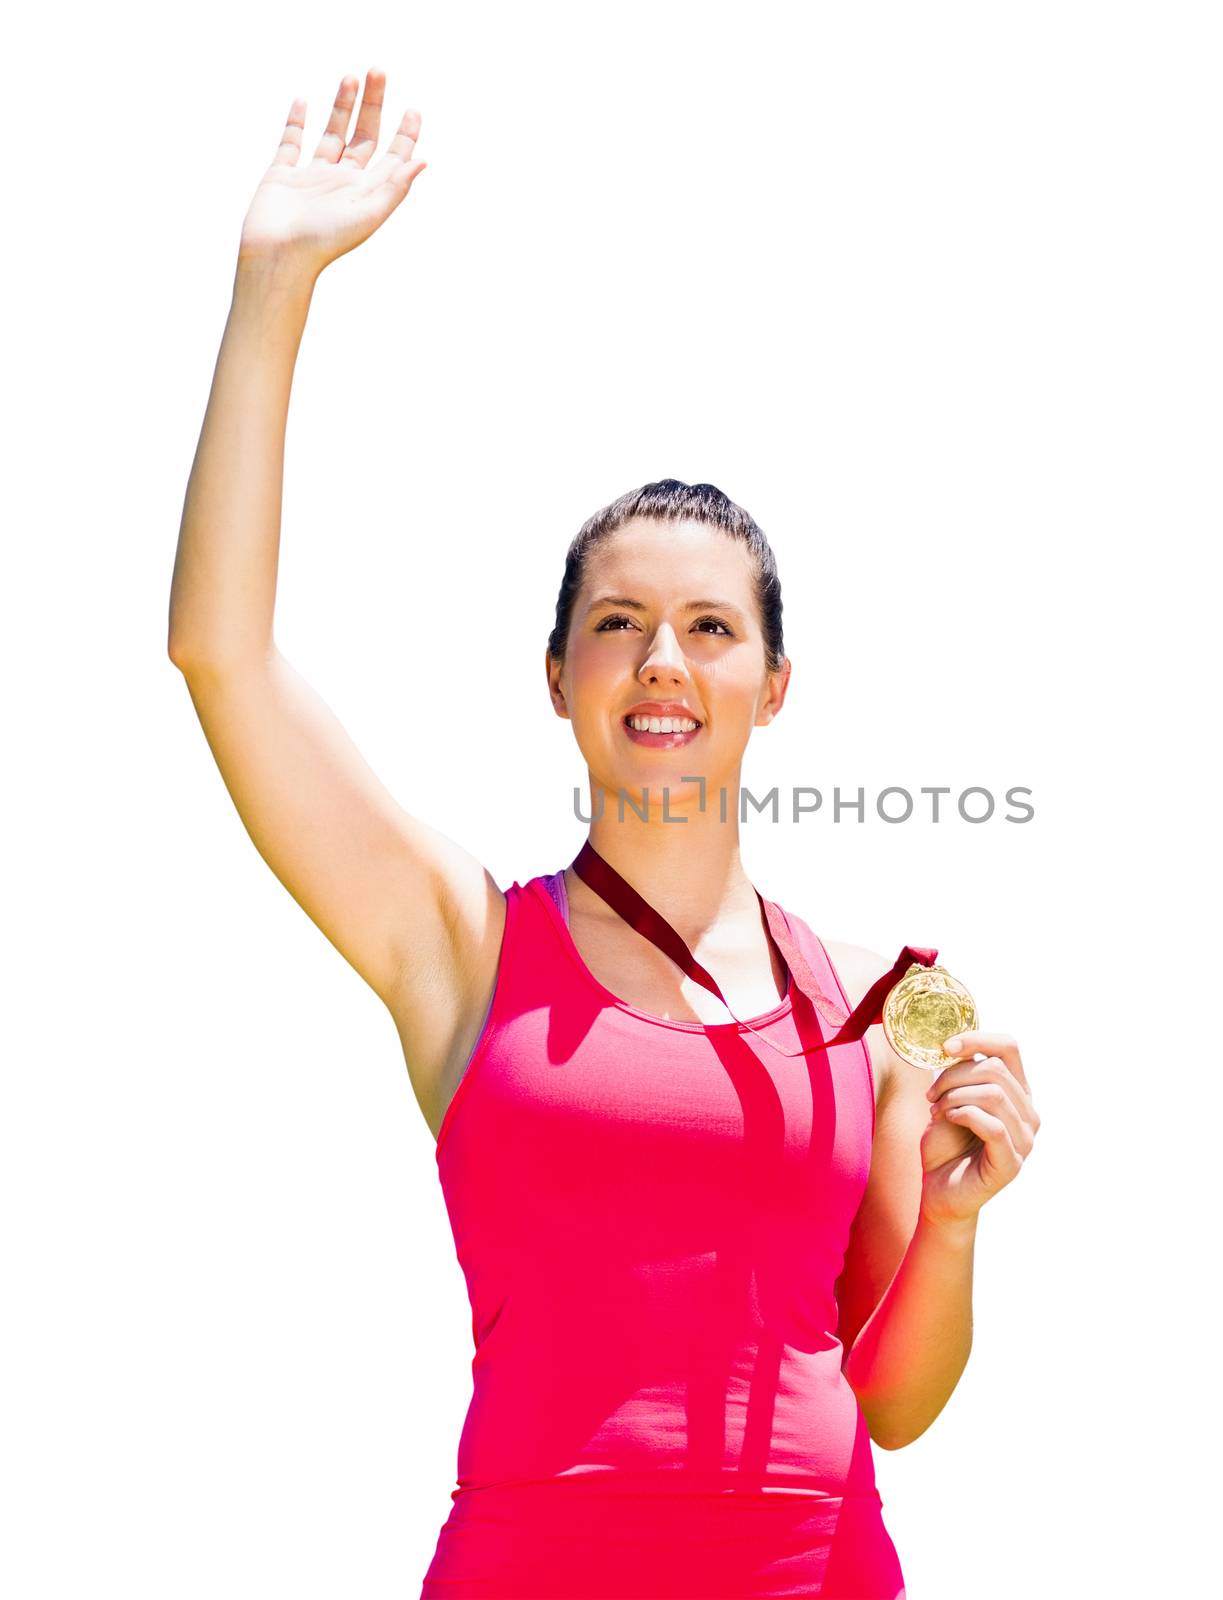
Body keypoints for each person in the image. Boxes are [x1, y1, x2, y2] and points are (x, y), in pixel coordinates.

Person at [168, 68, 1041, 1600]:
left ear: (776, 689)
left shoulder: (902, 990)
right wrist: (271, 287)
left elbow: (896, 1397)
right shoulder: (457, 943)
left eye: (711, 629)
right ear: (558, 676)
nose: (662, 660)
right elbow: (219, 655)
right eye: (619, 623)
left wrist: (960, 1228)